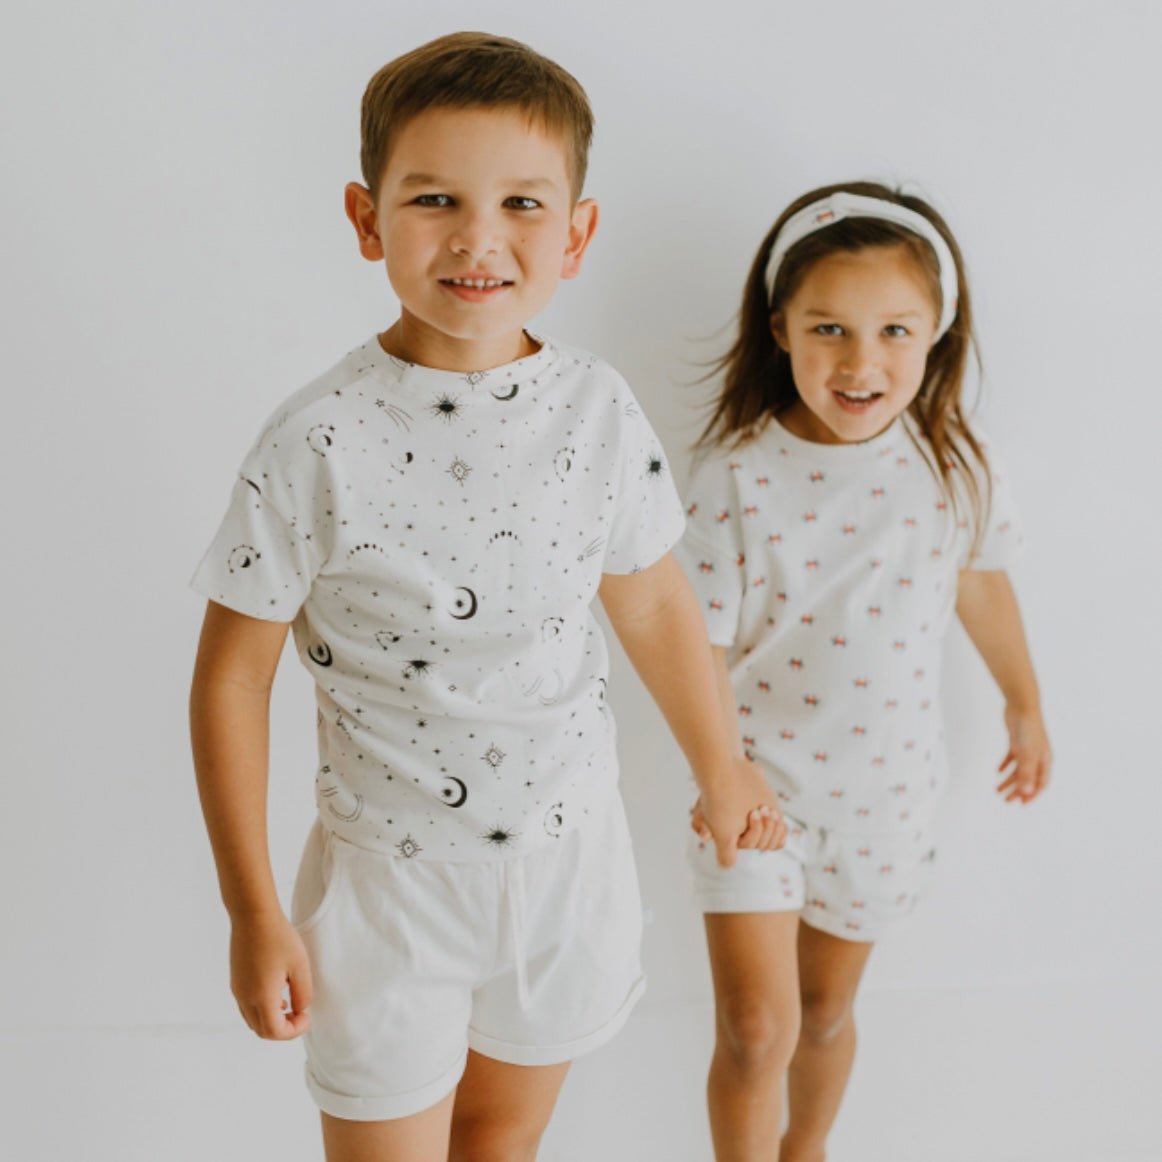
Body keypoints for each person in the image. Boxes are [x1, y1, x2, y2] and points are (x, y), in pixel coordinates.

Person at [187, 31, 780, 1162]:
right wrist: (253, 909)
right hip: (387, 888)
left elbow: (651, 602)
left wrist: (722, 762)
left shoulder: (596, 411)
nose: (478, 238)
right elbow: (232, 675)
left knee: (502, 1137)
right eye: (433, 199)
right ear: (367, 220)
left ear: (577, 229)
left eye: (520, 203)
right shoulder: (315, 439)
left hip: (566, 866)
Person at [679, 181, 1052, 1162]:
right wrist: (725, 773)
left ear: (936, 333)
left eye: (893, 330)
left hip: (885, 794)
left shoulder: (952, 468)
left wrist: (1025, 702)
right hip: (756, 790)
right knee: (756, 1028)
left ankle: (807, 1149)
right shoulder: (736, 479)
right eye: (830, 329)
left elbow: (979, 583)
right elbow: (696, 642)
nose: (861, 361)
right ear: (782, 330)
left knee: (824, 1009)